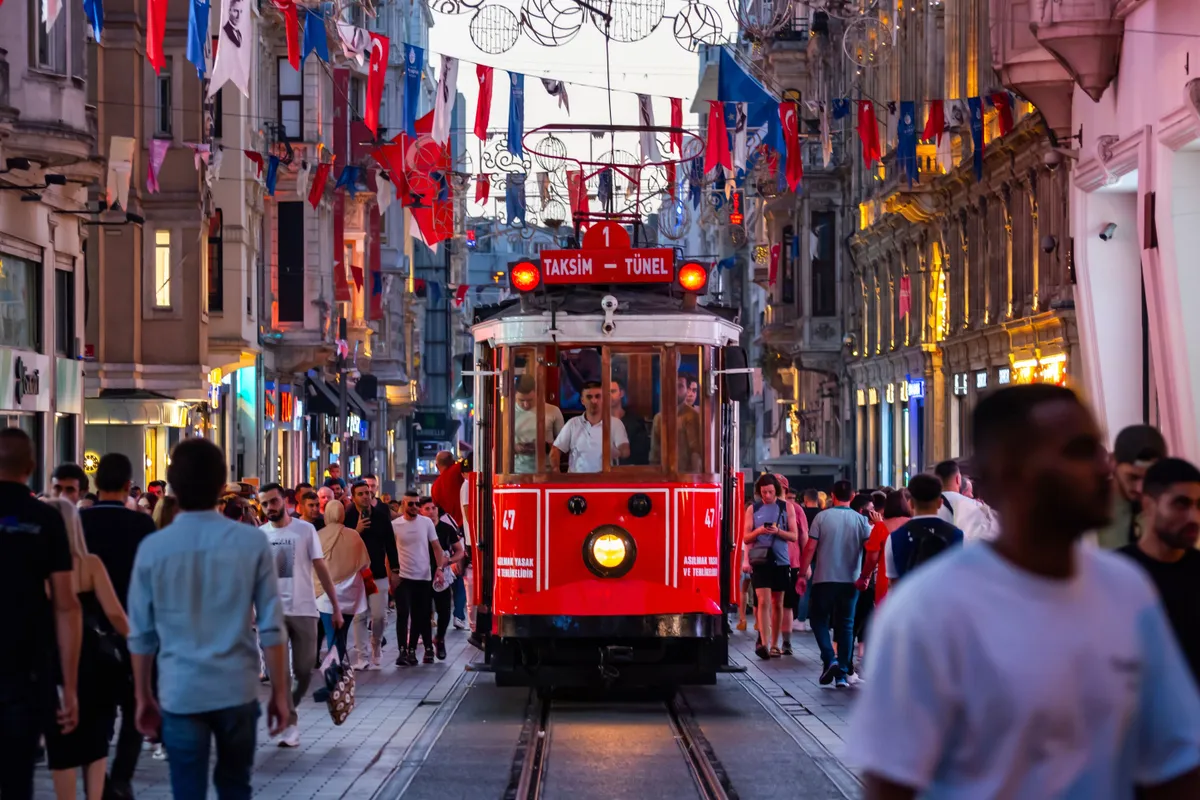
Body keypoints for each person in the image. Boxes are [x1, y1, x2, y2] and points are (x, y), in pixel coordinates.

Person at [850, 385, 1200, 799]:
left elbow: (1175, 761)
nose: (1104, 464)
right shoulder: (930, 612)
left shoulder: (1127, 591)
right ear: (1012, 473)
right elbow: (893, 785)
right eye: (1079, 449)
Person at [127, 439, 289, 800]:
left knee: (187, 789)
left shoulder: (154, 548)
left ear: (172, 489)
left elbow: (141, 634)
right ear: (221, 488)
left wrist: (142, 695)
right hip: (237, 688)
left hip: (180, 691)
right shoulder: (251, 543)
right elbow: (271, 626)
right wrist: (280, 692)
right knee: (235, 787)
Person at [0, 429, 82, 800]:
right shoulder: (45, 519)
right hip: (28, 668)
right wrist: (69, 684)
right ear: (31, 468)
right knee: (19, 775)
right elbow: (66, 605)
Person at [78, 454, 157, 799]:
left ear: (95, 485)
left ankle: (99, 781)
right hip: (133, 629)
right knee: (135, 704)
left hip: (87, 630)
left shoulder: (79, 522)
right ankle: (122, 777)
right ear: (129, 485)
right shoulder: (141, 526)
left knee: (95, 711)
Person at [41, 498, 129, 800]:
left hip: (52, 658)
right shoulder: (90, 564)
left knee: (61, 742)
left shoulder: (37, 566)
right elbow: (116, 614)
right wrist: (138, 644)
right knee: (96, 741)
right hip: (96, 662)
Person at [258, 482, 342, 748]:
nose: (269, 508)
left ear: (284, 500)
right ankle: (289, 724)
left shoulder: (305, 530)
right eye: (264, 504)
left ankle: (285, 710)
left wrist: (336, 606)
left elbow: (321, 569)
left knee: (304, 670)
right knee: (279, 673)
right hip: (273, 613)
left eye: (273, 501)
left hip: (305, 610)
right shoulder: (260, 535)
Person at [1118, 457, 1200, 684]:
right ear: (1148, 505)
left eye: (1199, 505)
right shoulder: (1115, 574)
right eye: (1181, 504)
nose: (1193, 517)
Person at [796, 479, 871, 688]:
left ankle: (830, 659)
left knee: (818, 620)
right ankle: (842, 676)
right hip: (851, 580)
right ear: (853, 496)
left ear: (832, 495)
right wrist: (865, 576)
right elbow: (870, 549)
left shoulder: (822, 517)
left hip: (824, 579)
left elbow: (810, 548)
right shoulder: (861, 521)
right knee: (846, 625)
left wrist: (802, 575)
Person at [743, 474, 799, 660]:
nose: (767, 495)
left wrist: (778, 531)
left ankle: (775, 643)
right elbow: (746, 537)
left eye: (770, 491)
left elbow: (794, 536)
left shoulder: (786, 507)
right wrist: (759, 531)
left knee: (778, 602)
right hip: (760, 560)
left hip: (781, 560)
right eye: (763, 492)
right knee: (763, 600)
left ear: (776, 490)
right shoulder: (753, 509)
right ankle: (764, 643)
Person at [344, 479, 399, 669]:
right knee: (359, 616)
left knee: (379, 616)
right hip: (355, 574)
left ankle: (376, 643)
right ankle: (362, 656)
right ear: (353, 497)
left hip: (377, 573)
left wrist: (395, 569)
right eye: (361, 493)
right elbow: (342, 544)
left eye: (367, 492)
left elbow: (391, 544)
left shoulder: (381, 517)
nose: (366, 496)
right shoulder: (347, 517)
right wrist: (356, 531)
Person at [391, 491, 449, 666]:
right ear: (403, 504)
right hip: (403, 576)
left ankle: (412, 650)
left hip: (423, 576)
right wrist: (391, 576)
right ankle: (402, 650)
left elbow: (437, 547)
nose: (415, 507)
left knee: (420, 615)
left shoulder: (426, 523)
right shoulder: (395, 525)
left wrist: (439, 569)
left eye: (417, 504)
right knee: (403, 613)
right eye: (411, 504)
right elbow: (389, 553)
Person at [313, 500, 370, 664]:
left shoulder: (318, 536)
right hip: (351, 591)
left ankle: (335, 667)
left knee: (331, 632)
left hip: (324, 593)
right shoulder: (354, 535)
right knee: (342, 632)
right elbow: (365, 562)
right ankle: (338, 664)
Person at [882, 474, 963, 586]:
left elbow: (894, 583)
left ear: (910, 504)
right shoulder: (957, 535)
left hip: (910, 602)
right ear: (940, 503)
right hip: (947, 602)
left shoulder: (895, 537)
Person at [1096, 424, 1167, 549]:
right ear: (1112, 462)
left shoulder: (1170, 507)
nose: (1140, 488)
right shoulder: (1089, 508)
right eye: (1133, 477)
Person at [420, 498, 465, 660]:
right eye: (427, 509)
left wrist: (450, 561)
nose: (431, 512)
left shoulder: (446, 529)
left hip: (442, 576)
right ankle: (428, 648)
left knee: (444, 612)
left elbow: (459, 550)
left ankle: (439, 638)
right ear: (421, 511)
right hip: (423, 575)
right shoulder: (419, 529)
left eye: (433, 508)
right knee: (424, 613)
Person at [551, 381, 629, 473]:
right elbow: (556, 449)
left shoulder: (615, 423)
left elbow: (625, 450)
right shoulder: (572, 424)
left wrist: (616, 451)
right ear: (582, 400)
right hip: (577, 482)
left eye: (597, 396)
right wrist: (556, 469)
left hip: (604, 481)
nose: (594, 401)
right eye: (589, 397)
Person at [857, 489, 912, 607]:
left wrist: (864, 577)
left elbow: (871, 559)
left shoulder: (880, 527)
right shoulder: (915, 524)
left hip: (887, 582)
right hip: (912, 581)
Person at [649, 372, 702, 472]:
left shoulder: (692, 416)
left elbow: (696, 452)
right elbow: (654, 455)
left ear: (687, 390)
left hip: (684, 479)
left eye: (680, 386)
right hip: (663, 478)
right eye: (672, 385)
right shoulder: (659, 418)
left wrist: (694, 480)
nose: (675, 390)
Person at [512, 376, 565, 474]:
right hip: (517, 471)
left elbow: (563, 443)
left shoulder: (553, 411)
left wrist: (545, 446)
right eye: (521, 400)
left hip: (547, 471)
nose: (526, 404)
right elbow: (498, 446)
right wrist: (514, 448)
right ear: (514, 396)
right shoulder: (507, 414)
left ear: (537, 394)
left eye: (530, 400)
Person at [611, 381, 651, 465]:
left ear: (621, 393)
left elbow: (642, 454)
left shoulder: (634, 421)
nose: (609, 396)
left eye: (612, 391)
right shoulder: (596, 422)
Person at [431, 452, 465, 529]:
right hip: (475, 515)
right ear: (453, 461)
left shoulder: (434, 488)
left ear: (437, 466)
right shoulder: (458, 469)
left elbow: (438, 507)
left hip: (460, 525)